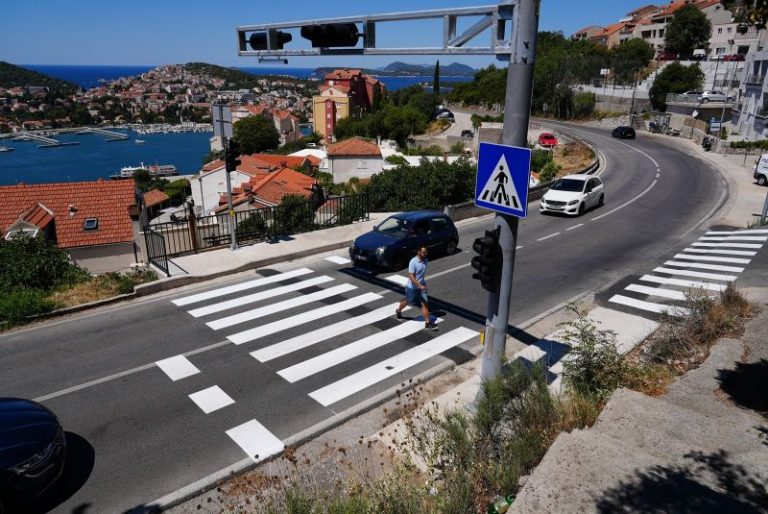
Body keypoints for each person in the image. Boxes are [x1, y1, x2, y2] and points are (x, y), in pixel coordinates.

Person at [396, 245, 438, 331]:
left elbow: (421, 275)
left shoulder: (426, 260)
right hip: (411, 288)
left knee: (425, 304)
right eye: (424, 252)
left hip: (422, 287)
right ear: (418, 252)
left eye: (426, 252)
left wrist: (422, 285)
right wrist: (419, 285)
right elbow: (411, 276)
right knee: (408, 301)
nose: (426, 254)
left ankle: (427, 324)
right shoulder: (413, 262)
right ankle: (399, 310)